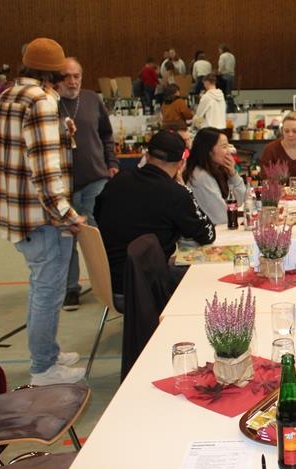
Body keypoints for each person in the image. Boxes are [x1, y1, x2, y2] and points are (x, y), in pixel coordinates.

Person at [0, 38, 87, 385]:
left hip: (17, 215)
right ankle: (44, 367)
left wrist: (63, 133)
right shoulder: (42, 101)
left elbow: (18, 153)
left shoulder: (5, 98)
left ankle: (47, 350)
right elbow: (44, 171)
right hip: (44, 218)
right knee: (48, 291)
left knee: (40, 287)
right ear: (53, 72)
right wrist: (67, 215)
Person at [95, 130, 215, 295]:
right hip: (145, 286)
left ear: (146, 155)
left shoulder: (117, 181)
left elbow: (97, 214)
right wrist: (184, 189)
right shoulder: (175, 193)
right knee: (208, 275)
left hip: (109, 280)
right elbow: (207, 235)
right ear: (181, 163)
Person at [57, 57, 119, 310]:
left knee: (98, 234)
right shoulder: (49, 103)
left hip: (96, 177)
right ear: (56, 79)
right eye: (67, 76)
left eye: (77, 76)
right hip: (63, 183)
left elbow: (106, 133)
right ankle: (71, 288)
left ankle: (108, 283)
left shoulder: (92, 99)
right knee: (65, 238)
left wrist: (112, 161)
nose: (72, 81)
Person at [182, 127, 246, 224]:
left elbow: (240, 201)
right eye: (224, 147)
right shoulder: (202, 177)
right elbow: (223, 217)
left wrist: (233, 175)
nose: (229, 151)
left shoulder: (217, 171)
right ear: (209, 151)